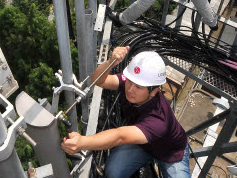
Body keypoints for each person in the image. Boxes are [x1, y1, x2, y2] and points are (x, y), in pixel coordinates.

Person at [61, 48, 191, 178]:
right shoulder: (129, 83)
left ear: (154, 91)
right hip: (143, 146)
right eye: (129, 81)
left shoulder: (158, 120)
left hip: (170, 152)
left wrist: (82, 142)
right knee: (113, 172)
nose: (130, 89)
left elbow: (120, 136)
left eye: (139, 87)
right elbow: (98, 80)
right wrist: (111, 62)